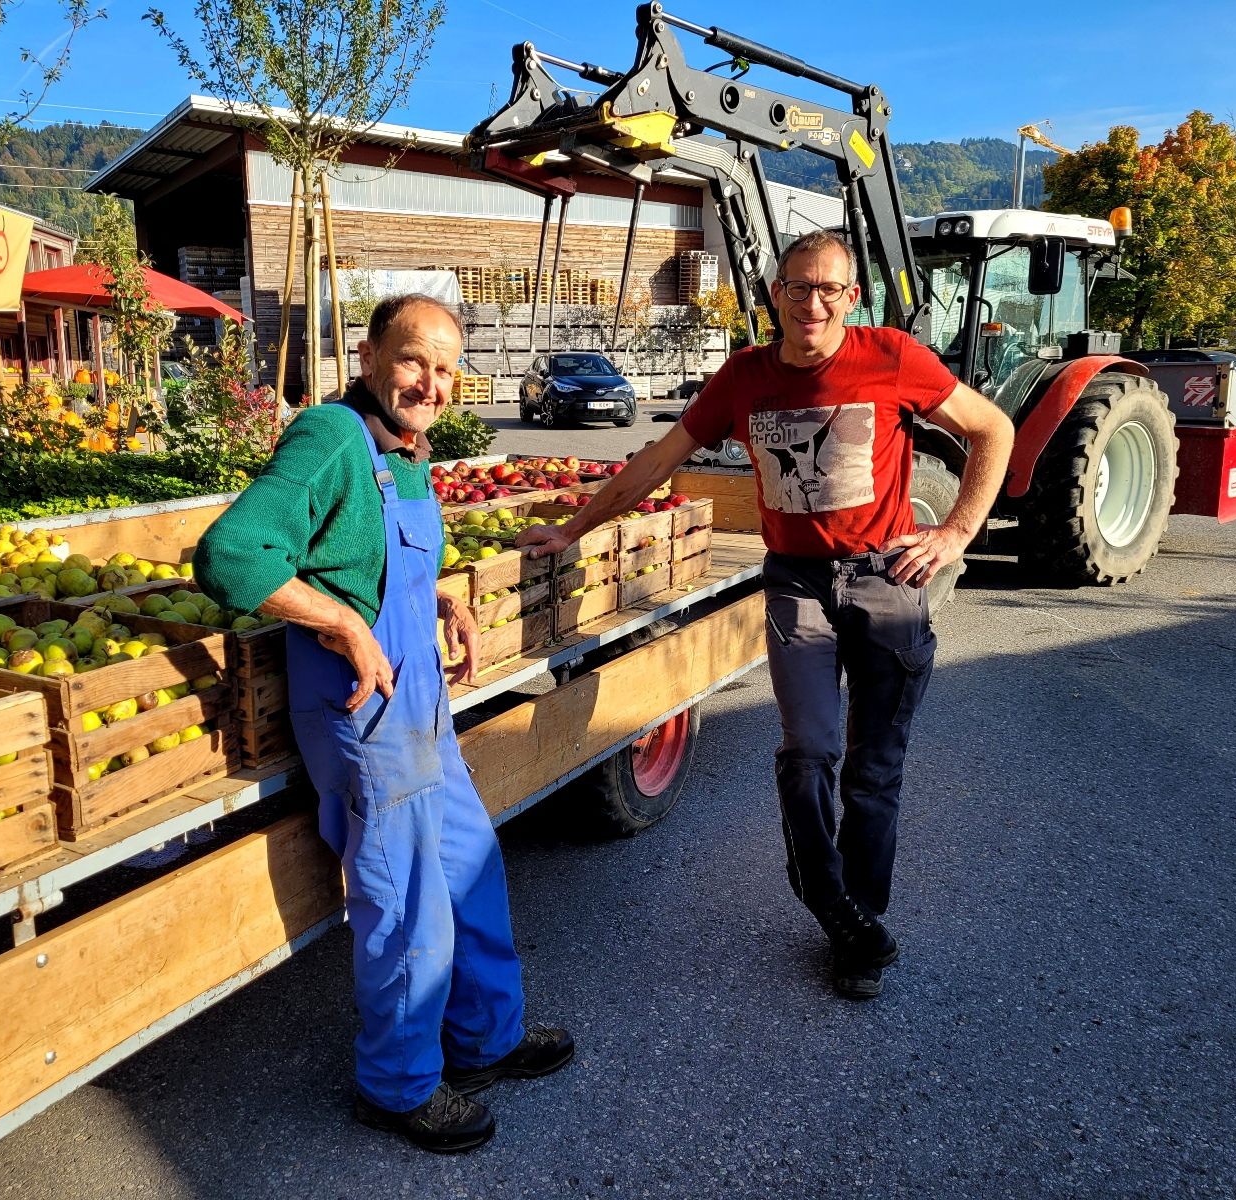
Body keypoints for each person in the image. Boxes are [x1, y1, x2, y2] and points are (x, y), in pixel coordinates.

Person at [518, 231, 1014, 1000]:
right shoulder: (744, 377)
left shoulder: (891, 358)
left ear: (852, 297)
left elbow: (994, 429)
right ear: (774, 294)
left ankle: (857, 926)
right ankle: (823, 888)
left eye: (827, 289)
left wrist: (954, 533)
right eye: (796, 287)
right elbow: (655, 462)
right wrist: (574, 529)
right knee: (810, 750)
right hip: (797, 583)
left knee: (875, 773)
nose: (810, 303)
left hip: (886, 579)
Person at [194, 294, 573, 1153]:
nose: (430, 382)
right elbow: (230, 555)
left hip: (423, 709)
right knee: (407, 909)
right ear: (368, 356)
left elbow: (361, 553)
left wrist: (441, 594)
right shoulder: (331, 437)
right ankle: (396, 1086)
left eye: (445, 368)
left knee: (472, 871)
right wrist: (343, 625)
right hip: (365, 718)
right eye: (413, 360)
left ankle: (485, 1041)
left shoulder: (407, 451)